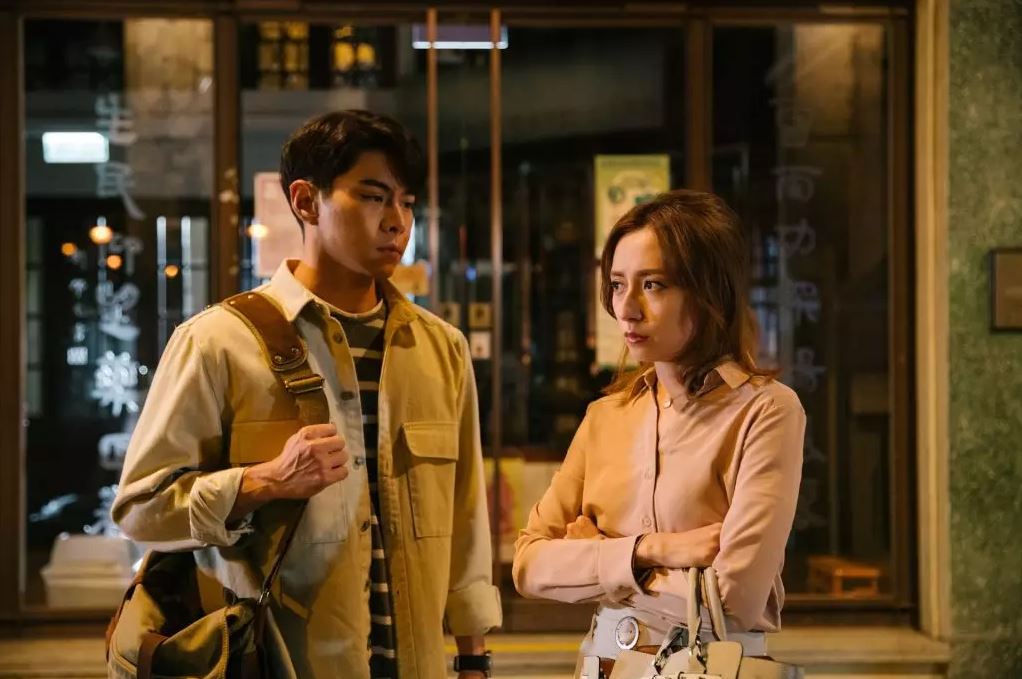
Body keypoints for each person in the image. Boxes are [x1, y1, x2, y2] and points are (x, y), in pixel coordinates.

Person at [113, 110, 501, 679]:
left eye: (407, 202)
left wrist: (473, 659)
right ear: (305, 201)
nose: (397, 221)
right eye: (373, 197)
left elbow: (466, 520)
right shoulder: (219, 342)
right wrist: (262, 482)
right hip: (280, 664)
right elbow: (140, 510)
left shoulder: (441, 348)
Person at [512, 189, 805, 674]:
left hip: (707, 666)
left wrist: (594, 555)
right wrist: (651, 549)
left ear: (709, 292)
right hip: (603, 665)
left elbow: (734, 597)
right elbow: (528, 566)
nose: (626, 308)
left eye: (653, 285)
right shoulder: (605, 416)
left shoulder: (766, 411)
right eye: (617, 284)